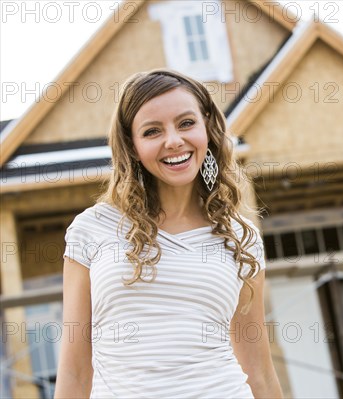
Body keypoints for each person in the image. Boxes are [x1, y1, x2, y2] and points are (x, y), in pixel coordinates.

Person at [54, 69, 283, 398]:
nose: (173, 140)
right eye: (152, 131)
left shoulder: (240, 237)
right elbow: (74, 371)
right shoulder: (93, 229)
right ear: (132, 147)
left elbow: (259, 371)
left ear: (207, 127)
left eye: (186, 123)